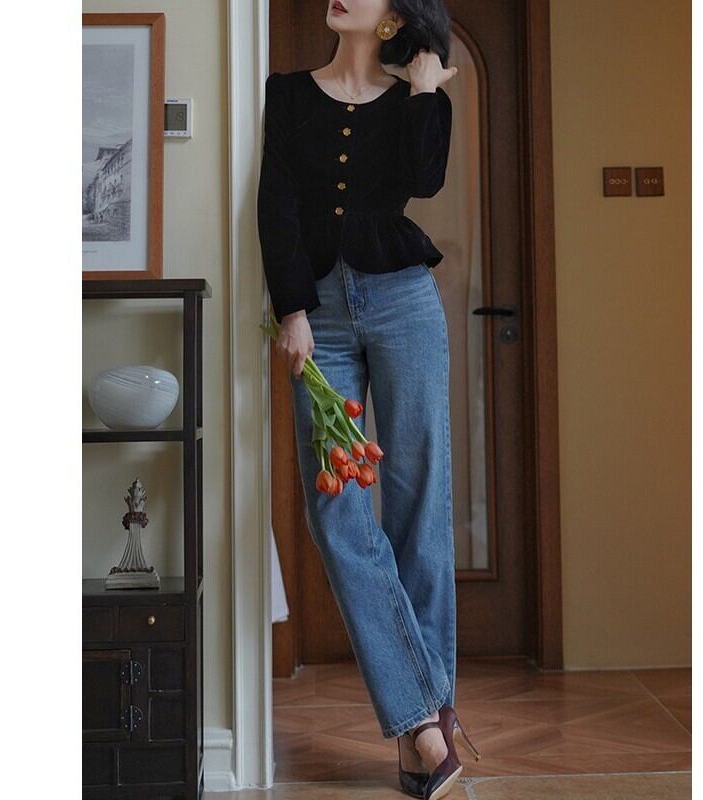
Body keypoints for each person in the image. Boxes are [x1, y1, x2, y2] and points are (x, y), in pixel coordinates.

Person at [257, 2, 480, 798]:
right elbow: (277, 204)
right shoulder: (287, 93)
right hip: (319, 317)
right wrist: (291, 309)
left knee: (420, 502)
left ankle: (422, 743)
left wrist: (424, 88)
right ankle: (428, 723)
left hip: (403, 304)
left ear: (392, 18)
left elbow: (422, 180)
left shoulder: (417, 100)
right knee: (338, 508)